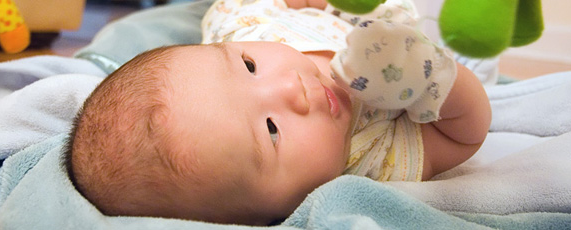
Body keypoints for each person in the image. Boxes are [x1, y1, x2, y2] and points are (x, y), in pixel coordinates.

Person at [65, 0, 491, 226]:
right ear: (279, 213)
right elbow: (463, 135)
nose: (291, 87)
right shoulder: (373, 160)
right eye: (271, 131)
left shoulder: (243, 27)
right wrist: (432, 77)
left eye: (249, 66)